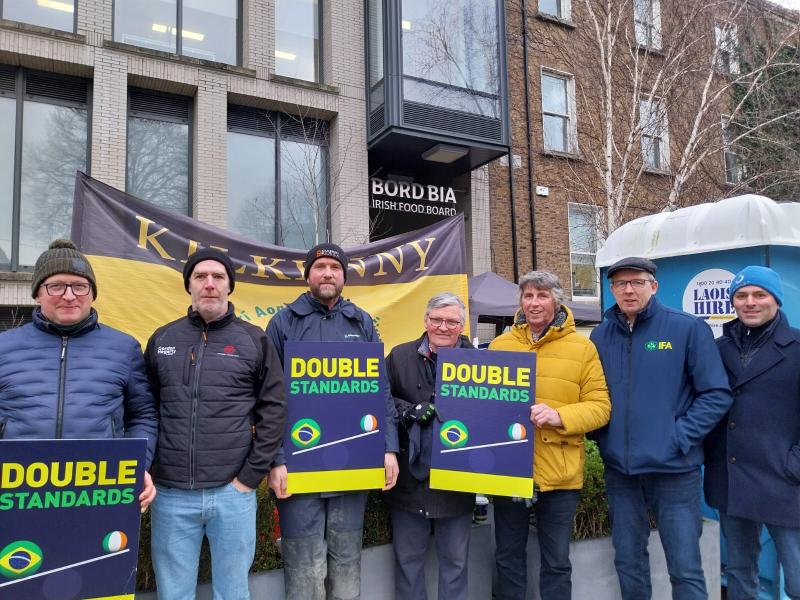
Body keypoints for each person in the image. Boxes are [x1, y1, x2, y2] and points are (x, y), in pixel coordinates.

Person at [145, 247, 286, 600]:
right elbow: (145, 409)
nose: (210, 284)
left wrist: (250, 477)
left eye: (218, 277)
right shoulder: (163, 338)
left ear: (229, 286)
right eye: (200, 277)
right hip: (172, 495)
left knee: (233, 592)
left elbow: (273, 409)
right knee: (174, 593)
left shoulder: (255, 340)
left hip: (232, 494)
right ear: (189, 286)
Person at [590, 256, 732, 600]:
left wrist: (678, 437)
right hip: (621, 474)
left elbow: (715, 393)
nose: (628, 289)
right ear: (611, 289)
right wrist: (602, 437)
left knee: (684, 568)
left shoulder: (685, 327)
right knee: (627, 561)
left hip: (674, 473)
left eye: (637, 282)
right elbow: (591, 394)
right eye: (620, 283)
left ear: (654, 286)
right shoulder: (600, 334)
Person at [266, 242, 399, 600]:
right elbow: (269, 398)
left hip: (351, 465)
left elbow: (380, 392)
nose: (328, 273)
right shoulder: (282, 322)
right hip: (300, 468)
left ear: (344, 276)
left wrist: (389, 448)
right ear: (308, 274)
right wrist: (276, 459)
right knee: (304, 567)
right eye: (320, 267)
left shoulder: (362, 322)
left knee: (346, 564)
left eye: (335, 268)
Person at [0, 239, 158, 511]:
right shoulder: (4, 346)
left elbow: (143, 415)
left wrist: (136, 466)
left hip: (99, 492)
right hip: (15, 493)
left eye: (80, 286)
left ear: (92, 293)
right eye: (56, 285)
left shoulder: (124, 348)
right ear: (37, 292)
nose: (69, 295)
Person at [489, 271, 611, 600]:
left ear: (556, 300)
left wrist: (560, 416)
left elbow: (600, 407)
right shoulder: (500, 345)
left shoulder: (582, 348)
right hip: (508, 470)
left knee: (556, 562)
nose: (534, 303)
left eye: (541, 296)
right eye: (527, 296)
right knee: (507, 558)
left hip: (559, 472)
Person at [704, 266, 800, 600]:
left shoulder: (798, 346)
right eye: (741, 296)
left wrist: (794, 465)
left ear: (776, 299)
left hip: (785, 483)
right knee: (740, 575)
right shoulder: (716, 349)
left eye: (759, 294)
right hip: (732, 481)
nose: (750, 302)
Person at [385, 292, 476, 600]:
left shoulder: (480, 363)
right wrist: (407, 410)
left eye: (452, 321)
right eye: (436, 319)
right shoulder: (398, 356)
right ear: (425, 321)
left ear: (462, 325)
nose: (443, 327)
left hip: (457, 483)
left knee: (455, 564)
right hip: (409, 483)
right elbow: (381, 400)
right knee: (408, 565)